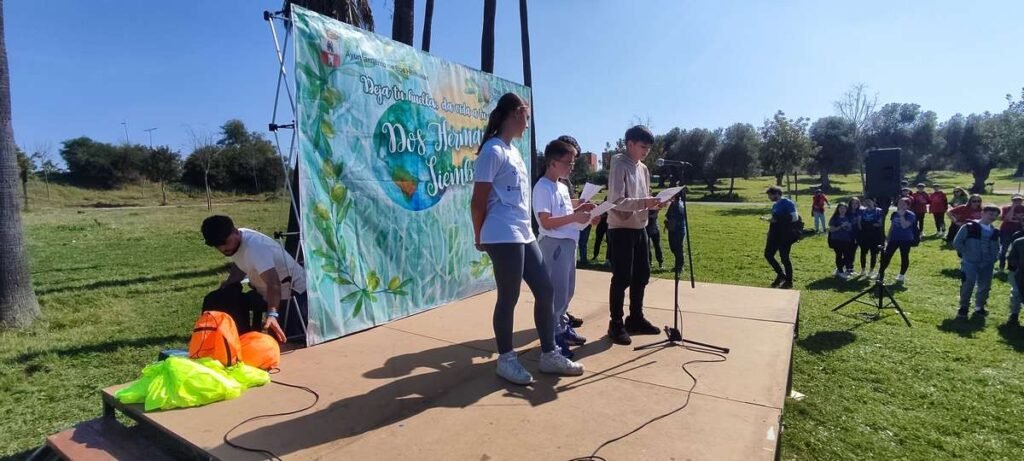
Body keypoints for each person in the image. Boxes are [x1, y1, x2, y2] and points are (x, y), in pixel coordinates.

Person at [471, 92, 583, 384]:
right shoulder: (492, 151)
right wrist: (478, 235)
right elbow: (478, 201)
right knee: (509, 296)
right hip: (501, 233)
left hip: (523, 232)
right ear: (516, 113)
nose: (528, 124)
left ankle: (549, 354)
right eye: (527, 117)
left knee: (545, 290)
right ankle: (506, 359)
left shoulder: (514, 152)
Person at [533, 139, 596, 359]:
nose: (571, 167)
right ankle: (553, 337)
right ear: (552, 162)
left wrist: (581, 206)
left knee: (567, 291)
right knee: (557, 293)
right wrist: (575, 217)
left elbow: (564, 207)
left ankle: (561, 327)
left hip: (569, 242)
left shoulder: (560, 185)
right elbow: (546, 221)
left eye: (573, 163)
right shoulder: (542, 187)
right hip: (554, 245)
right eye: (568, 163)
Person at [200, 215, 307, 343]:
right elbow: (241, 262)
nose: (222, 248)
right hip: (264, 293)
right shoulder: (235, 243)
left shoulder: (256, 247)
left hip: (292, 295)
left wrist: (272, 315)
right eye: (217, 246)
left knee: (287, 340)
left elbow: (273, 283)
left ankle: (244, 340)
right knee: (218, 299)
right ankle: (230, 340)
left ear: (235, 232)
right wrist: (229, 283)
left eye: (225, 242)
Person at [605, 125, 664, 346]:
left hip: (640, 227)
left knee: (642, 275)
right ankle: (616, 323)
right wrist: (645, 202)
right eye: (643, 147)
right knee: (622, 277)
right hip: (621, 228)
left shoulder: (644, 169)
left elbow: (643, 199)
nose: (646, 151)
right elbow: (616, 201)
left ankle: (635, 318)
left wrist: (655, 204)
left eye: (648, 148)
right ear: (630, 144)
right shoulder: (619, 163)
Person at [952, 205, 1001, 320]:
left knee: (985, 286)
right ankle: (964, 307)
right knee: (968, 283)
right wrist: (967, 254)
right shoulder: (969, 227)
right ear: (982, 213)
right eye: (990, 214)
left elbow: (997, 247)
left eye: (995, 215)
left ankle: (979, 307)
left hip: (988, 263)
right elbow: (957, 243)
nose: (992, 217)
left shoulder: (995, 231)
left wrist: (994, 258)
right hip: (970, 262)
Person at [764, 185, 798, 289]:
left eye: (770, 195)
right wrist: (769, 231)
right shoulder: (775, 205)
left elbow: (794, 217)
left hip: (785, 235)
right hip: (774, 234)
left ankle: (789, 281)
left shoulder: (788, 203)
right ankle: (781, 275)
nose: (769, 197)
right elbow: (775, 219)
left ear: (777, 194)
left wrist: (778, 219)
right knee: (768, 254)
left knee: (784, 258)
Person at [878, 197, 917, 283]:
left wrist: (902, 215)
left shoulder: (911, 215)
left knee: (904, 256)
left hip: (906, 239)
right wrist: (888, 237)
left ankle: (901, 275)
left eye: (904, 204)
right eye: (899, 203)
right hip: (894, 238)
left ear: (908, 206)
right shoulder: (894, 214)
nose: (901, 205)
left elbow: (904, 226)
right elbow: (892, 226)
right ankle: (880, 273)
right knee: (887, 256)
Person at [857, 198, 885, 279]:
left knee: (873, 254)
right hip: (864, 234)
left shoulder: (878, 211)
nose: (868, 203)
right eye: (866, 201)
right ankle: (863, 270)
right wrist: (862, 230)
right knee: (863, 253)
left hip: (875, 235)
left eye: (869, 201)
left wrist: (871, 224)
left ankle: (871, 271)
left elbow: (880, 223)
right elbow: (859, 223)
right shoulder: (862, 210)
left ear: (874, 201)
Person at [827, 203, 857, 279]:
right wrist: (841, 226)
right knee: (839, 255)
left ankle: (840, 269)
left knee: (848, 255)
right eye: (840, 208)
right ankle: (840, 271)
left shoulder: (849, 217)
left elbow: (851, 229)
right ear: (838, 209)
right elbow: (831, 229)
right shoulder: (835, 218)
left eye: (844, 208)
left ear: (846, 209)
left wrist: (849, 227)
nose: (842, 210)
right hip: (837, 240)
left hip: (847, 240)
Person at [998, 195, 1024, 272]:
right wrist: (1013, 208)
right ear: (1012, 201)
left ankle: (1014, 268)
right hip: (1006, 231)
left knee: (1016, 251)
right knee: (1003, 250)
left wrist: (1017, 220)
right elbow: (1006, 219)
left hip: (1019, 232)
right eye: (1015, 200)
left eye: (1019, 200)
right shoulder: (1006, 208)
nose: (1017, 202)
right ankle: (1001, 267)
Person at [1004, 230, 1024, 327]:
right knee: (1016, 293)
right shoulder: (1019, 242)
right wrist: (1014, 271)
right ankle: (1014, 315)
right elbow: (1012, 258)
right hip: (1020, 274)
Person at [664, 191, 687, 272]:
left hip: (678, 230)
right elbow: (668, 215)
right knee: (673, 248)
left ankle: (679, 267)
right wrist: (667, 222)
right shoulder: (673, 204)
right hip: (672, 229)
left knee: (678, 249)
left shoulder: (680, 205)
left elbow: (680, 218)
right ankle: (678, 265)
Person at [847, 197, 863, 275]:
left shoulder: (860, 212)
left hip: (857, 234)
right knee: (847, 251)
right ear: (850, 204)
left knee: (853, 251)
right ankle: (845, 266)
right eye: (853, 203)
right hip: (847, 234)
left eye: (856, 203)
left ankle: (850, 267)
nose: (854, 205)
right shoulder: (847, 212)